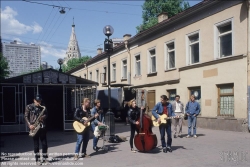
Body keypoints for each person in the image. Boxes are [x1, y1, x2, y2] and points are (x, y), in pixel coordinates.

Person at [24, 94, 49, 166]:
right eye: (37, 101)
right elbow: (26, 116)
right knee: (36, 145)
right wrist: (29, 125)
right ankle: (37, 159)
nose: (39, 102)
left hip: (42, 127)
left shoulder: (43, 106)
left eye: (40, 101)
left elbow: (46, 114)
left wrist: (43, 117)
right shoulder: (29, 106)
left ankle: (44, 158)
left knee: (44, 144)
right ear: (34, 100)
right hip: (34, 126)